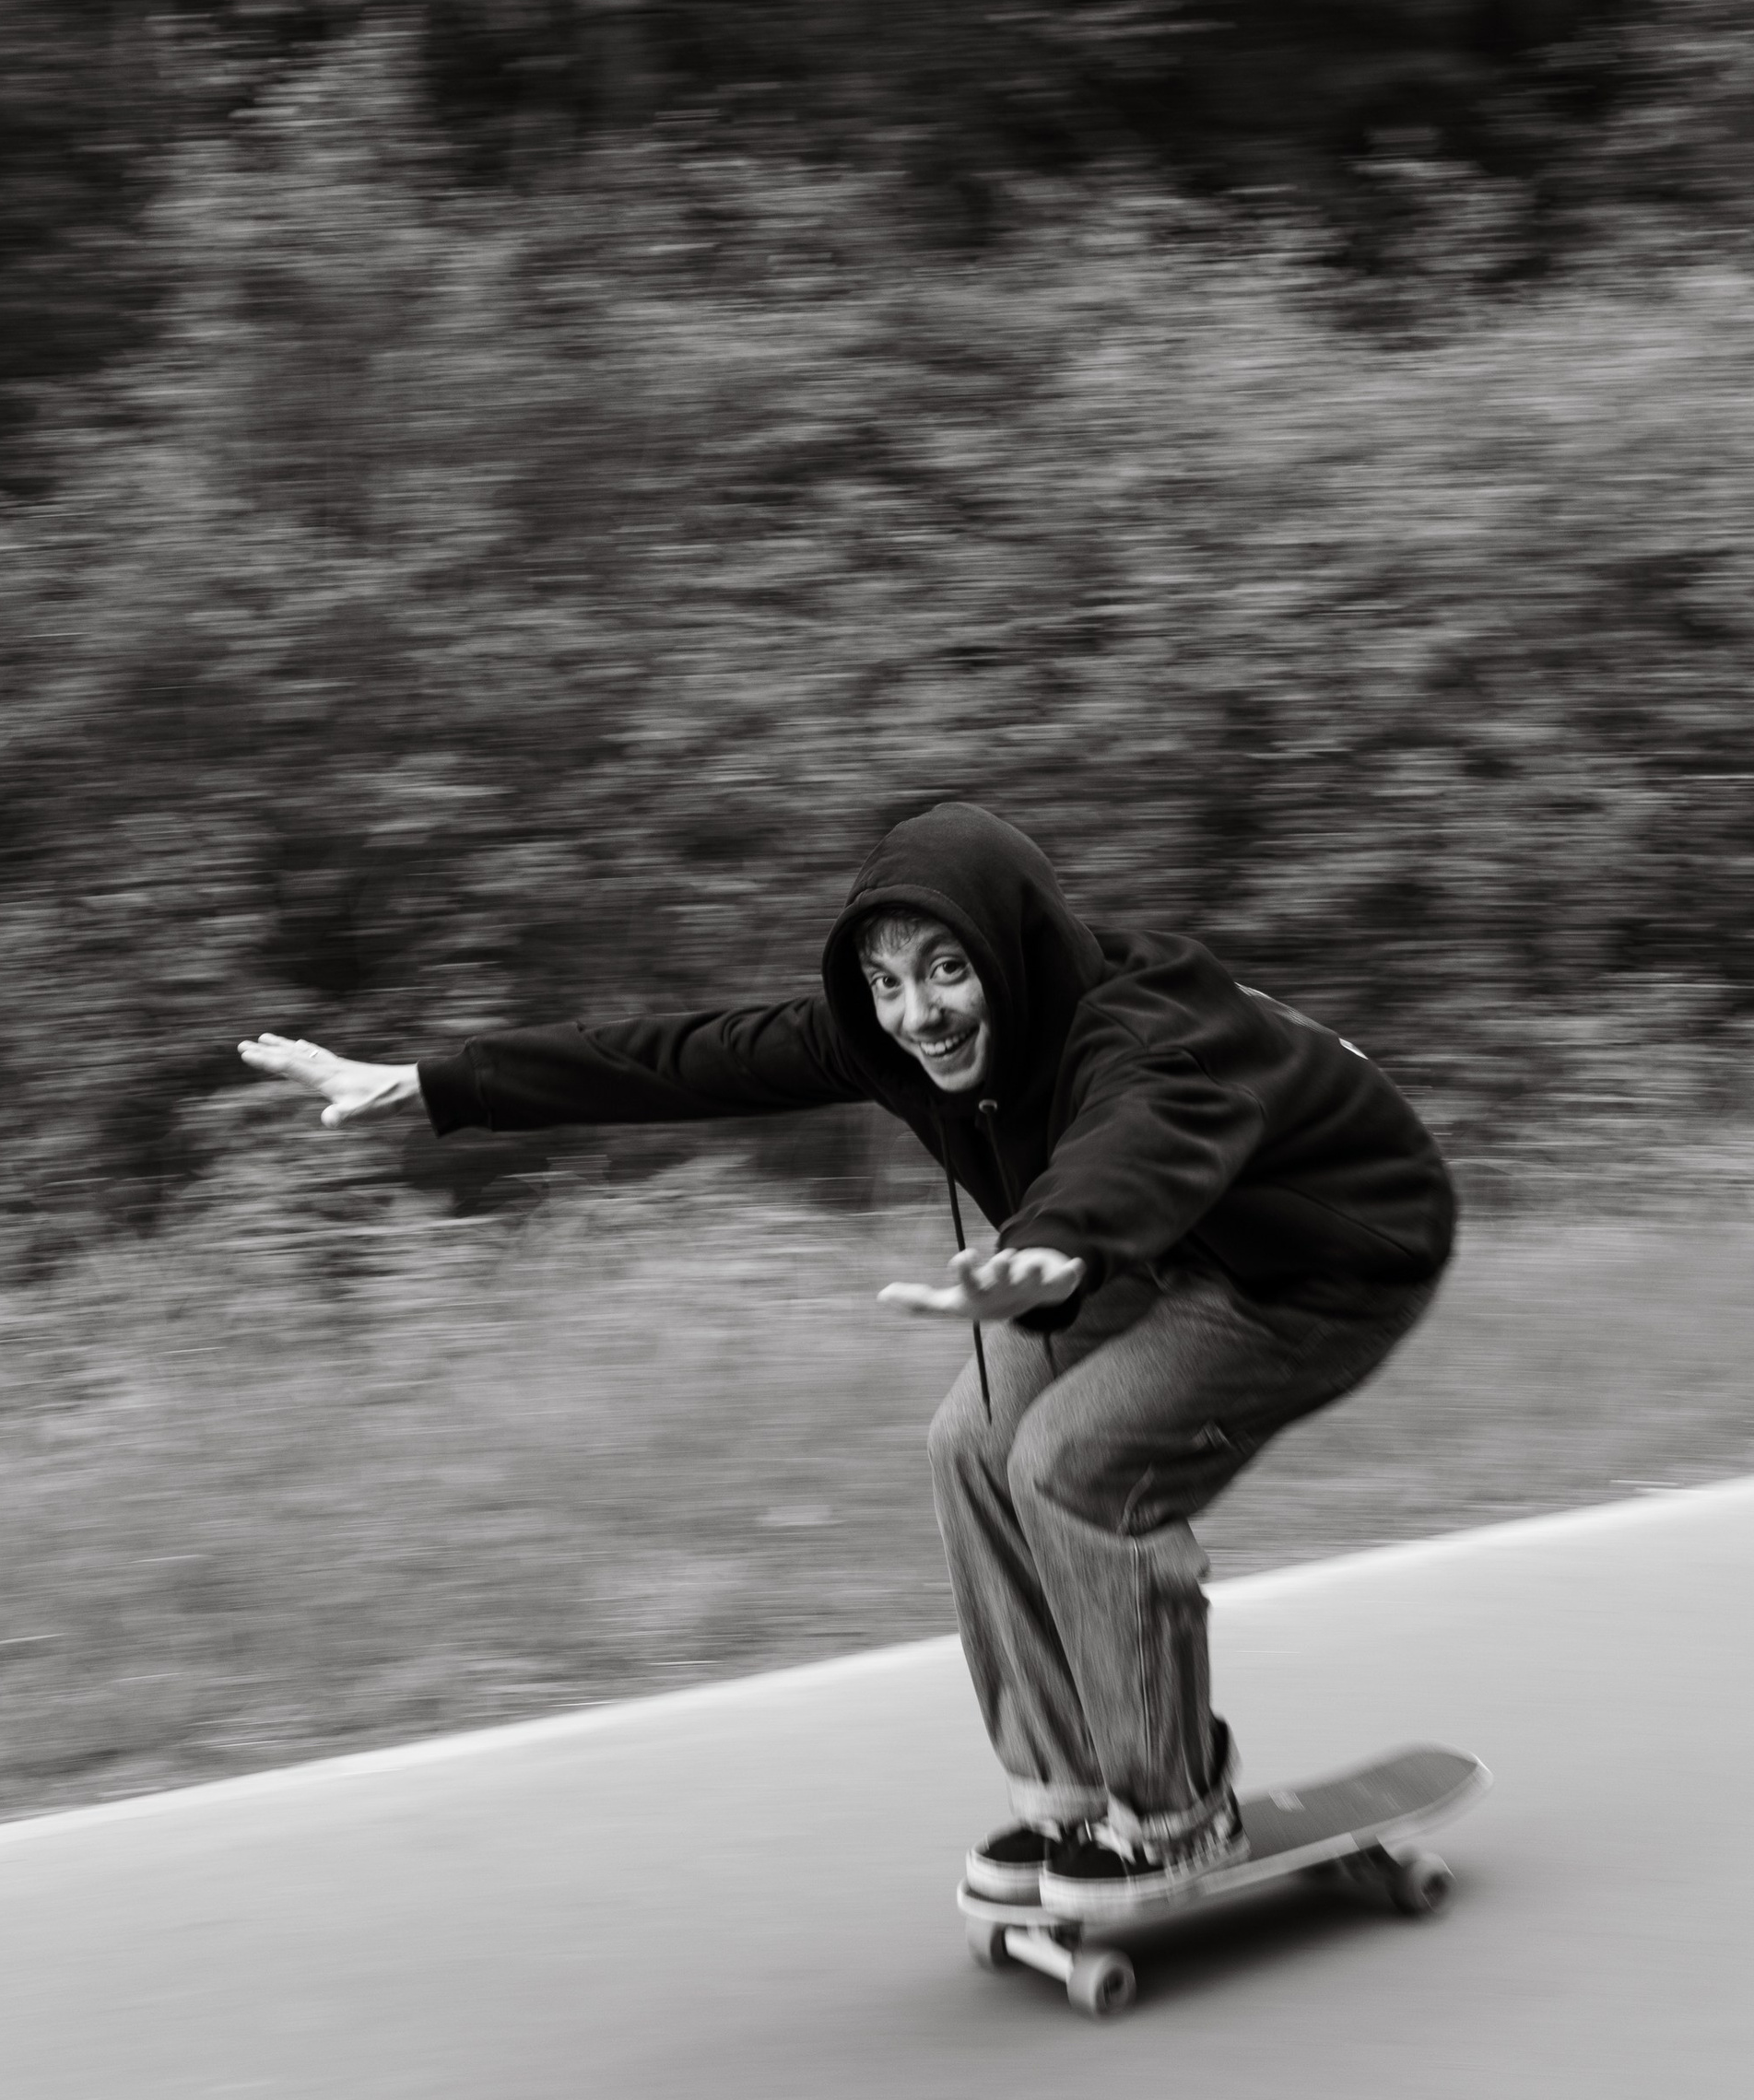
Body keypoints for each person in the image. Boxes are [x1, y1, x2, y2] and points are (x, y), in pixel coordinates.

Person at [241, 800, 1455, 1919]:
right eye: (884, 983)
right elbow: (677, 1057)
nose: (916, 1015)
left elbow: (1134, 1145)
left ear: (1011, 953)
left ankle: (1175, 1813)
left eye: (946, 971)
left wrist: (1056, 1241)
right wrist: (433, 1085)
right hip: (1133, 1246)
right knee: (974, 1445)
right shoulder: (887, 1041)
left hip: (1325, 1260)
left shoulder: (1144, 1039)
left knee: (1079, 1465)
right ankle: (1076, 1796)